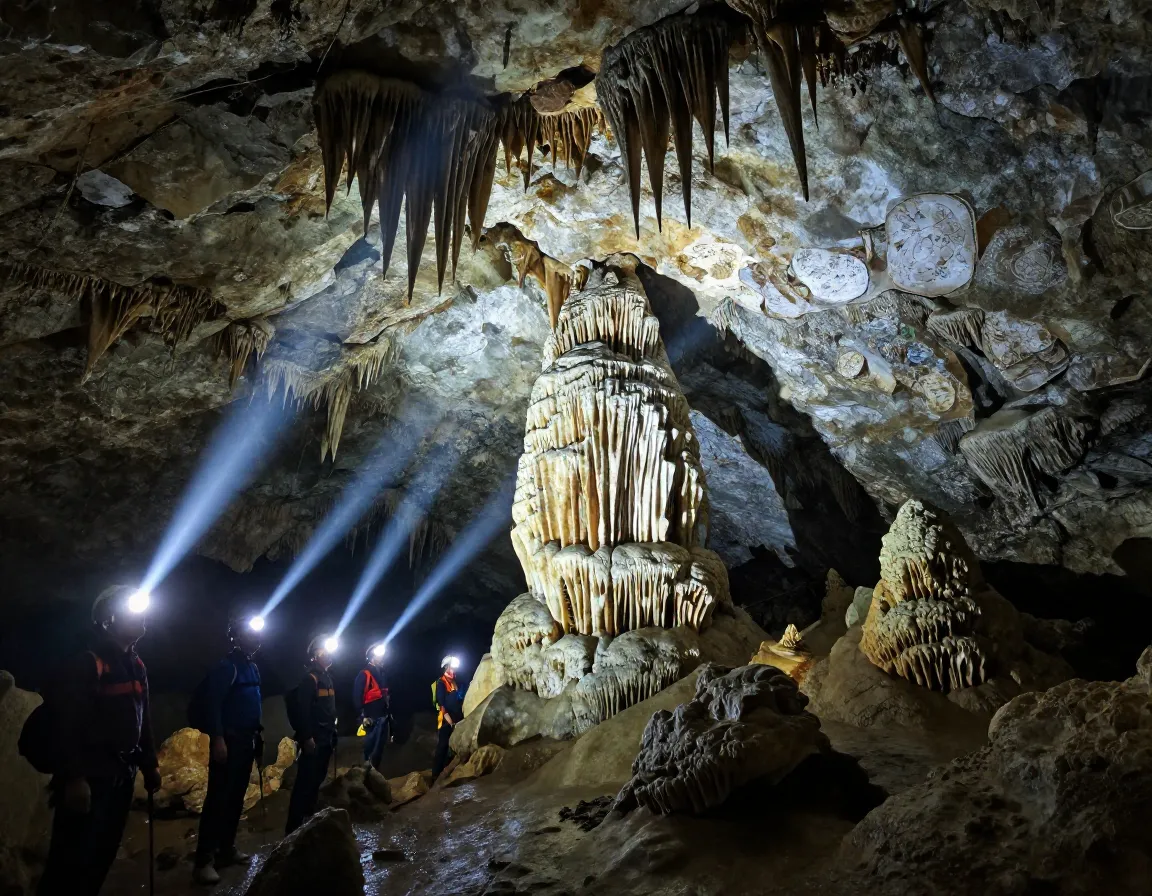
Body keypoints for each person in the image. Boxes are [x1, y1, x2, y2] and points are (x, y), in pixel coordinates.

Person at [36, 585, 161, 896]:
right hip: (91, 776)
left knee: (102, 854)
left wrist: (150, 765)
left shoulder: (136, 665)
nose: (141, 617)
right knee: (70, 859)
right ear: (107, 619)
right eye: (132, 611)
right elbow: (67, 725)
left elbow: (142, 719)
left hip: (120, 775)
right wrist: (74, 778)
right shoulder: (87, 663)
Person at [192, 614, 265, 886]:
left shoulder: (252, 667)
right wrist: (218, 739)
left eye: (257, 634)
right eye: (249, 634)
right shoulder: (227, 667)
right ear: (235, 636)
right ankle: (203, 860)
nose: (255, 639)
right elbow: (213, 705)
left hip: (246, 740)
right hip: (230, 741)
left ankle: (226, 848)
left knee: (235, 797)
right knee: (218, 799)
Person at [284, 635, 337, 835]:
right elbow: (302, 711)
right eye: (325, 651)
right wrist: (306, 737)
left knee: (317, 780)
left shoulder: (328, 678)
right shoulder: (310, 679)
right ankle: (293, 830)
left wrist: (334, 732)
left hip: (326, 737)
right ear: (316, 655)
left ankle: (308, 821)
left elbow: (328, 709)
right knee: (305, 783)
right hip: (313, 739)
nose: (330, 655)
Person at [352, 644, 392, 771]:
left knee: (379, 747)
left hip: (383, 715)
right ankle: (365, 771)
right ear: (371, 657)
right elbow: (357, 695)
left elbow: (385, 694)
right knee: (370, 746)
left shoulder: (382, 673)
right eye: (378, 656)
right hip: (371, 717)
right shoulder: (364, 674)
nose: (382, 658)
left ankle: (375, 772)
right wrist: (362, 715)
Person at [431, 655, 464, 780]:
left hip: (456, 718)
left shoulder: (454, 681)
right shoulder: (441, 682)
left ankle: (448, 770)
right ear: (446, 667)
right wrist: (449, 721)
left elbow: (458, 700)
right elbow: (442, 704)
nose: (454, 669)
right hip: (446, 720)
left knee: (453, 746)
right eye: (452, 666)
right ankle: (435, 775)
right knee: (443, 746)